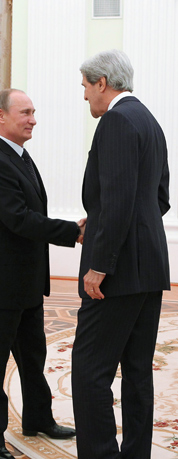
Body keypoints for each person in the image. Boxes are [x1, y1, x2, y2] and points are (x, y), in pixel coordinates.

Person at [0, 88, 85, 459]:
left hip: (26, 283)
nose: (33, 119)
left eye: (34, 112)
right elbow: (19, 220)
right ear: (1, 116)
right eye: (26, 112)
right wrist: (72, 231)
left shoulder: (18, 155)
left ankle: (38, 419)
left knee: (33, 359)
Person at [72, 49, 170, 459]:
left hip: (116, 274)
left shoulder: (114, 121)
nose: (84, 97)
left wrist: (100, 264)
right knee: (136, 372)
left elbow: (115, 202)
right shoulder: (149, 120)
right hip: (149, 269)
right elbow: (158, 199)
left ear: (102, 83)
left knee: (89, 371)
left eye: (85, 87)